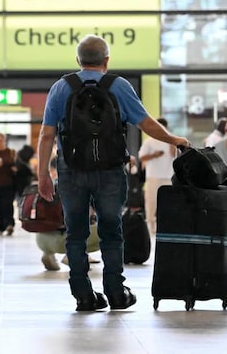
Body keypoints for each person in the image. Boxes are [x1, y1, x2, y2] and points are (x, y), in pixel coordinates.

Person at [36, 34, 189, 312]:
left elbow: (46, 135)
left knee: (75, 232)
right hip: (109, 170)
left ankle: (83, 294)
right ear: (107, 60)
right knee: (111, 230)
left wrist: (43, 174)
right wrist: (174, 139)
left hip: (71, 170)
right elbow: (146, 124)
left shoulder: (62, 87)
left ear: (78, 60)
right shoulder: (118, 86)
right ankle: (116, 291)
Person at [137, 117, 177, 235]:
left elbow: (175, 156)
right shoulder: (149, 141)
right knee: (151, 202)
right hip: (153, 176)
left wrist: (172, 144)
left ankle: (166, 226)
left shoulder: (171, 140)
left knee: (168, 203)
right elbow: (142, 157)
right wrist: (154, 155)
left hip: (168, 176)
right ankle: (151, 226)